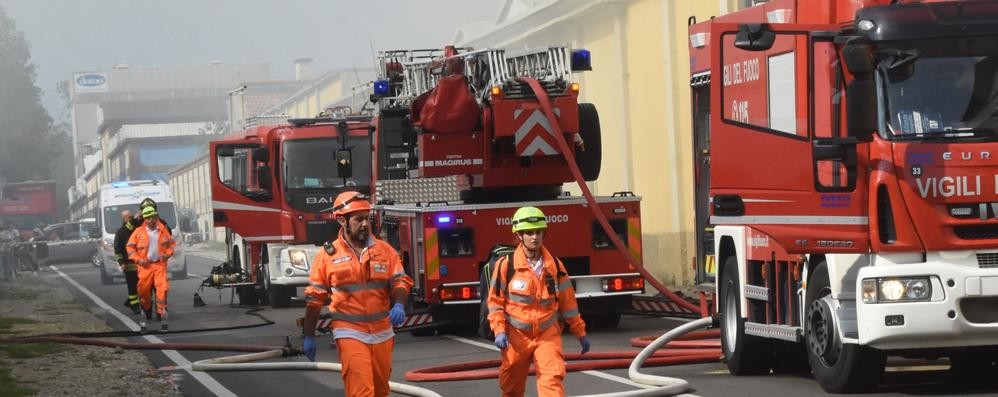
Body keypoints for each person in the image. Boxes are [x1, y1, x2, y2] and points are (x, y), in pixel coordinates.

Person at [303, 191, 413, 397]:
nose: (364, 224)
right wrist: (309, 335)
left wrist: (399, 304)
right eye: (358, 219)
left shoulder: (384, 250)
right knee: (362, 391)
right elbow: (314, 299)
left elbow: (400, 280)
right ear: (341, 220)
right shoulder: (327, 256)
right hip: (349, 332)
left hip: (383, 333)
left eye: (367, 218)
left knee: (380, 391)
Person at [487, 206, 590, 397]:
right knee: (511, 387)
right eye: (529, 233)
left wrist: (580, 332)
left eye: (538, 232)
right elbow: (495, 302)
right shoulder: (506, 265)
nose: (534, 237)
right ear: (519, 236)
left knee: (552, 382)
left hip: (547, 334)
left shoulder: (555, 267)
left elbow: (569, 305)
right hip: (516, 337)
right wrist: (499, 331)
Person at [126, 206, 176, 332]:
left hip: (159, 265)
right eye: (148, 218)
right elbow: (130, 248)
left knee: (162, 289)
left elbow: (171, 246)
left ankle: (162, 314)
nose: (151, 220)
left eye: (153, 217)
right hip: (145, 266)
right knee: (143, 290)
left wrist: (167, 254)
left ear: (155, 217)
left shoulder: (163, 230)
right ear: (144, 219)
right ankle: (146, 308)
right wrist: (138, 260)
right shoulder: (138, 232)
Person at [114, 210, 142, 314]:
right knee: (132, 287)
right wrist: (121, 263)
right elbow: (118, 249)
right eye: (129, 217)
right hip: (129, 264)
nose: (131, 219)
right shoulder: (121, 232)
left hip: (141, 263)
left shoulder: (137, 228)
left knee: (143, 285)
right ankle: (135, 306)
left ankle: (129, 302)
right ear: (124, 219)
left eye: (131, 217)